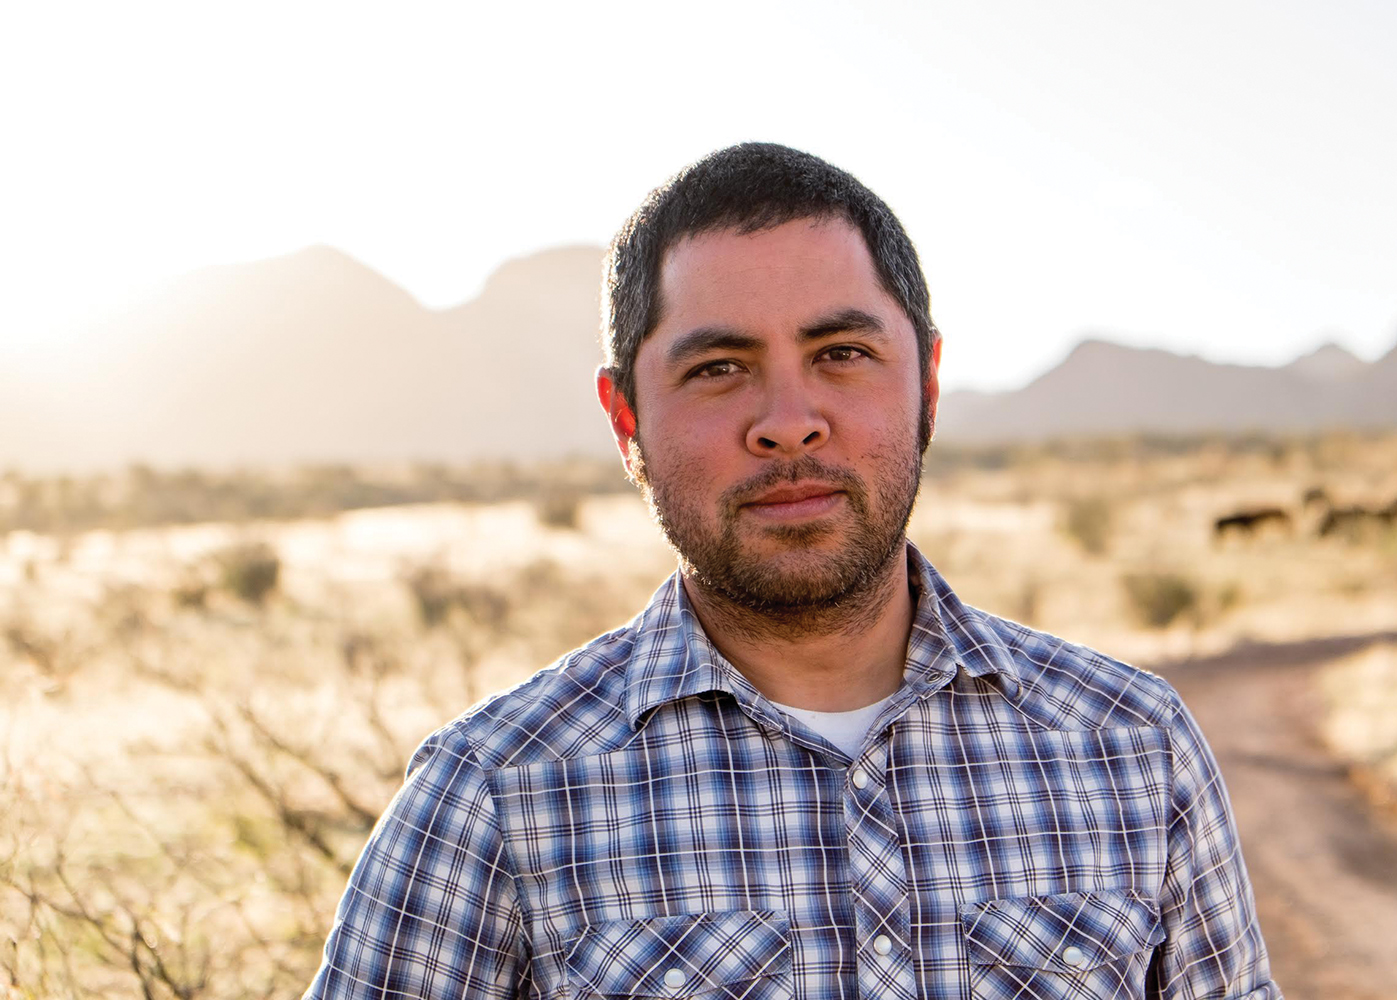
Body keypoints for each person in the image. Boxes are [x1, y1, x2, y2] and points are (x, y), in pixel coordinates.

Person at [305, 143, 1280, 1000]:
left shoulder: (1131, 749)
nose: (786, 418)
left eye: (842, 352)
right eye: (719, 367)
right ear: (625, 419)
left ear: (927, 385)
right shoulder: (495, 794)